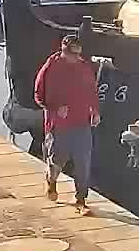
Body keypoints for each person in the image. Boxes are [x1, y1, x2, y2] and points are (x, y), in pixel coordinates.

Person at [33, 25, 101, 212]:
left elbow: (91, 91)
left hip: (82, 122)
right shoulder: (50, 68)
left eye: (78, 54)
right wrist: (54, 108)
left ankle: (81, 200)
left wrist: (95, 111)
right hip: (59, 124)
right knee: (57, 160)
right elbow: (38, 96)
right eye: (72, 55)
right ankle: (51, 180)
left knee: (83, 163)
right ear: (63, 51)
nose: (76, 58)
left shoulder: (84, 67)